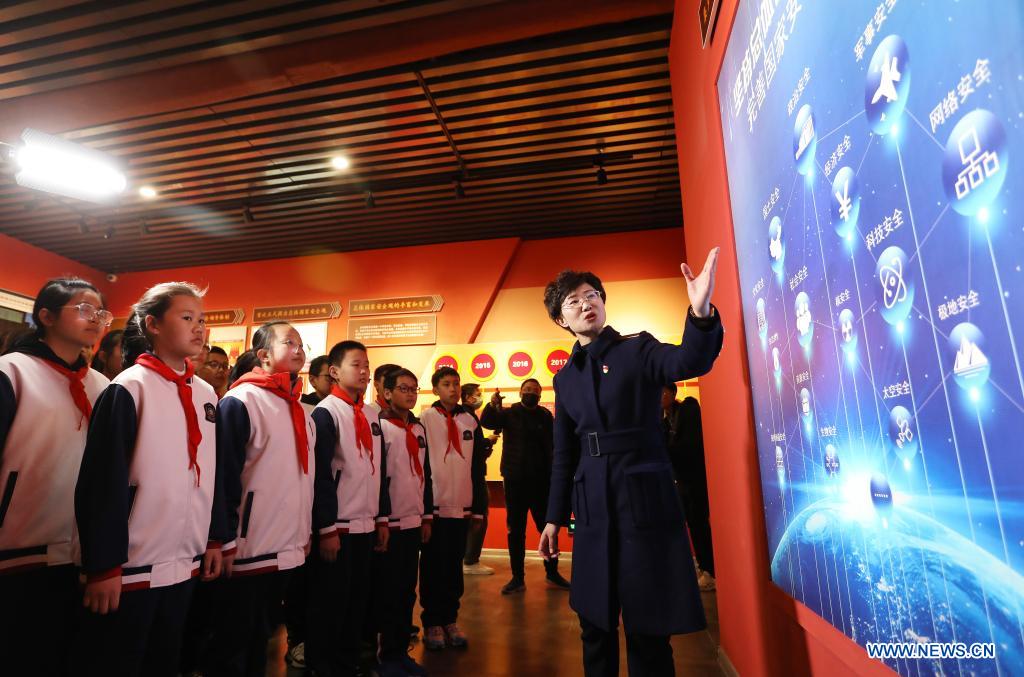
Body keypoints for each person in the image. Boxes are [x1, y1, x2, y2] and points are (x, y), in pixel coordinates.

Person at [538, 249, 723, 677]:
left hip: (643, 500)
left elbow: (688, 360)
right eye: (573, 301)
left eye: (592, 295)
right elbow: (564, 454)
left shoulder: (638, 349)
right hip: (591, 509)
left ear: (603, 302)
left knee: (647, 626)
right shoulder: (565, 378)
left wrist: (699, 314)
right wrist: (552, 519)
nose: (586, 303)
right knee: (594, 623)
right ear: (562, 320)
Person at [74, 281, 227, 677]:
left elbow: (214, 472)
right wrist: (103, 566)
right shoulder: (129, 388)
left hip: (186, 560)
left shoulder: (207, 394)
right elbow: (101, 483)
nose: (199, 328)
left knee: (167, 659)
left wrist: (213, 536)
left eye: (203, 320)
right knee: (121, 661)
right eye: (187, 317)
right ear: (153, 325)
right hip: (132, 565)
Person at [0, 277, 111, 676]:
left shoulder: (101, 385)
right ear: (45, 316)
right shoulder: (12, 372)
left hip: (81, 553)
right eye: (84, 309)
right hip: (18, 550)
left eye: (101, 312)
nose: (96, 319)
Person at [308, 340, 389, 677]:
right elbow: (320, 475)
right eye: (357, 365)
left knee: (357, 603)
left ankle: (347, 663)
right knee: (331, 604)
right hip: (337, 528)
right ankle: (322, 667)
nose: (365, 372)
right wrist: (325, 527)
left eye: (367, 365)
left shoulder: (371, 415)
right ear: (335, 372)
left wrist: (382, 518)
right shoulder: (325, 412)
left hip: (366, 524)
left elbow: (380, 471)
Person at [418, 367, 486, 650]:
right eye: (446, 384)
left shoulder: (470, 419)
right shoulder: (424, 419)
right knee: (433, 567)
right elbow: (420, 467)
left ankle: (450, 619)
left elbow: (477, 466)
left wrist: (479, 509)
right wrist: (423, 510)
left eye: (456, 384)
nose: (453, 389)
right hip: (435, 507)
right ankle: (432, 622)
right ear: (435, 389)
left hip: (463, 506)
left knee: (453, 568)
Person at [480, 379, 569, 594]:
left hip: (542, 481)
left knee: (546, 529)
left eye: (535, 391)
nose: (531, 393)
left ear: (540, 394)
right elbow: (488, 421)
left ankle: (552, 571)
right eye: (527, 390)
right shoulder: (509, 413)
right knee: (515, 531)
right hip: (514, 480)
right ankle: (517, 578)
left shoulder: (546, 416)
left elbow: (554, 444)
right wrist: (493, 405)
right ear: (521, 393)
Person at [376, 368, 431, 677]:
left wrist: (426, 515)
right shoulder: (380, 426)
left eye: (414, 389)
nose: (410, 394)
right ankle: (382, 656)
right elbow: (378, 478)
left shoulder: (419, 429)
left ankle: (398, 651)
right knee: (387, 591)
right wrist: (382, 519)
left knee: (407, 591)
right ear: (387, 393)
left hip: (413, 521)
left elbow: (427, 475)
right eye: (403, 389)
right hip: (390, 523)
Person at [662, 387, 715, 591]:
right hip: (679, 482)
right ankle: (703, 567)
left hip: (694, 480)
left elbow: (690, 447)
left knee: (698, 524)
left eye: (662, 392)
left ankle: (710, 570)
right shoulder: (665, 419)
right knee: (691, 525)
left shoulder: (688, 411)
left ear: (671, 394)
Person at [460, 383, 494, 576]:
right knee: (479, 516)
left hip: (473, 473)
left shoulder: (469, 416)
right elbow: (475, 448)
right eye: (477, 394)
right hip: (474, 475)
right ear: (468, 397)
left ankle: (469, 557)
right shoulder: (468, 416)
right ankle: (470, 559)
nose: (480, 397)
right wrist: (488, 442)